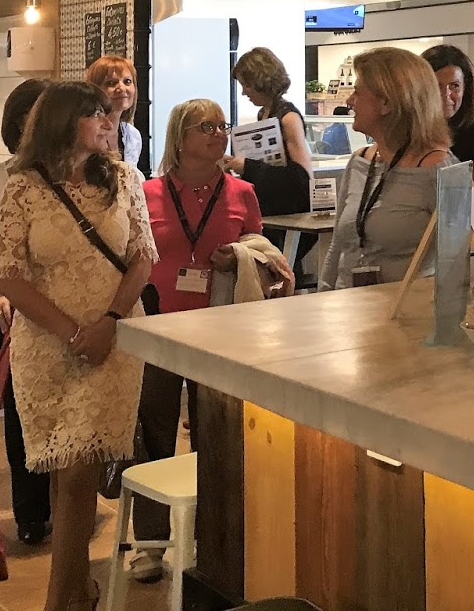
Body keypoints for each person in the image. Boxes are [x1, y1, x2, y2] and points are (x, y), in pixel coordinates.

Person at [0, 82, 156, 611]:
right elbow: (8, 275)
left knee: (81, 469)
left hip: (113, 342)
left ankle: (60, 599)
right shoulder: (22, 187)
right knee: (63, 469)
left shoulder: (125, 179)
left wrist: (108, 322)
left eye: (109, 114)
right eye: (96, 115)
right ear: (63, 122)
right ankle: (79, 589)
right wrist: (72, 331)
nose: (109, 122)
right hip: (46, 346)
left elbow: (143, 257)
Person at [130, 99, 287, 585]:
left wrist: (239, 256)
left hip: (223, 331)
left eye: (223, 125)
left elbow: (261, 252)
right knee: (153, 432)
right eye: (207, 127)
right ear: (180, 137)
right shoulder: (147, 192)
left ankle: (212, 542)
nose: (220, 134)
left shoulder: (242, 192)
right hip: (159, 327)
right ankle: (150, 543)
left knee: (216, 435)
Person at [0, 78, 53, 546]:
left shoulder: (86, 172)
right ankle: (32, 512)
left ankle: (73, 502)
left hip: (78, 312)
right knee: (23, 413)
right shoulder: (3, 176)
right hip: (22, 314)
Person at [320, 48, 455, 288]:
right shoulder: (360, 161)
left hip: (405, 306)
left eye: (358, 92)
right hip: (347, 304)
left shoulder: (438, 168)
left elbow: (457, 258)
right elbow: (338, 245)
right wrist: (323, 295)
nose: (350, 101)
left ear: (387, 103)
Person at [223, 46, 312, 219]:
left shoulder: (289, 118)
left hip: (289, 215)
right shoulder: (264, 114)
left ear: (260, 81)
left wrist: (248, 166)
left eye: (246, 85)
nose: (243, 92)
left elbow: (303, 178)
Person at [423, 43, 474, 184]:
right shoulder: (409, 136)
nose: (446, 95)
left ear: (465, 90)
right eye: (437, 86)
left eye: (454, 86)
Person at [87, 55, 143, 172]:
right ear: (95, 89)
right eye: (111, 83)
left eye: (127, 82)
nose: (121, 88)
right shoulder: (87, 134)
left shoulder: (133, 136)